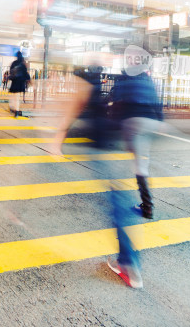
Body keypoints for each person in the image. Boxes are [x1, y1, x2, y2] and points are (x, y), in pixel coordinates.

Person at [51, 64, 144, 289]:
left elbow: (72, 112)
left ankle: (129, 265)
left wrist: (56, 141)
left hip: (104, 148)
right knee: (119, 202)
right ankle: (129, 261)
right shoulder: (100, 88)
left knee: (117, 206)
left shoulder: (84, 87)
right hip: (115, 144)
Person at [110, 57, 163, 220]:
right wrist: (160, 120)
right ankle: (146, 205)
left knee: (137, 161)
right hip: (149, 121)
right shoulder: (147, 79)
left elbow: (115, 97)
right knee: (141, 159)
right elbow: (156, 102)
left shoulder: (125, 77)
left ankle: (147, 207)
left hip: (132, 121)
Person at [7, 51, 30, 117]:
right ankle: (16, 111)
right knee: (17, 98)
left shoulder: (14, 63)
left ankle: (13, 109)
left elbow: (11, 72)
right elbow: (25, 73)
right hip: (20, 84)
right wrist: (28, 80)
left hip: (15, 82)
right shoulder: (23, 64)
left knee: (13, 97)